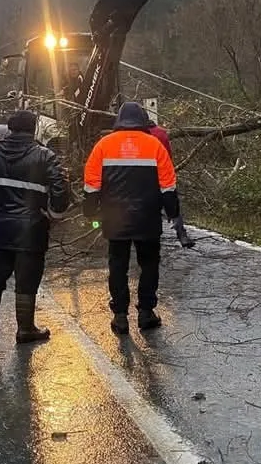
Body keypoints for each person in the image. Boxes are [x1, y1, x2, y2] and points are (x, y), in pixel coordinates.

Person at [0, 110, 72, 343]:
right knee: (27, 279)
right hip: (32, 229)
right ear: (33, 129)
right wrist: (54, 214)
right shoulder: (45, 156)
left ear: (10, 128)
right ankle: (25, 330)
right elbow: (61, 188)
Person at [83, 101, 182, 334]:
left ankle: (120, 316)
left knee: (118, 265)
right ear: (142, 121)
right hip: (147, 217)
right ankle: (146, 313)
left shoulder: (103, 145)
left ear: (119, 121)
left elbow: (91, 185)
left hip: (115, 217)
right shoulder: (155, 145)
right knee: (149, 265)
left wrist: (91, 213)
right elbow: (168, 186)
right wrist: (173, 213)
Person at [146, 118, 195, 248]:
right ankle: (182, 234)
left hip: (144, 175)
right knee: (172, 203)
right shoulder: (161, 133)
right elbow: (168, 155)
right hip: (163, 173)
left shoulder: (139, 135)